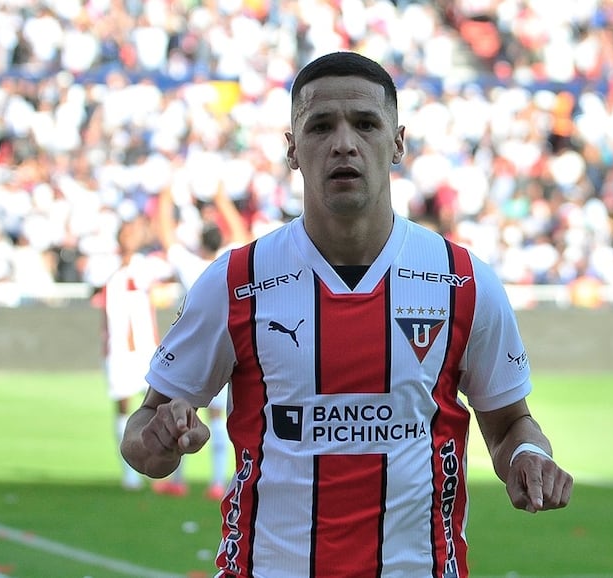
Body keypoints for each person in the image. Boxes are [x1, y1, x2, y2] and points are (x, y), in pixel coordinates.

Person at [121, 51, 573, 577]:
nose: (343, 143)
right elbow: (144, 433)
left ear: (397, 142)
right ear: (292, 149)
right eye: (320, 126)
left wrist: (526, 457)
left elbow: (510, 423)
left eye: (364, 124)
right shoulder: (236, 281)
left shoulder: (463, 282)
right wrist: (159, 440)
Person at [149, 183, 251, 499]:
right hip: (227, 351)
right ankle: (218, 482)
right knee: (219, 418)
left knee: (176, 415)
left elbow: (166, 234)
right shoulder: (231, 260)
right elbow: (240, 231)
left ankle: (177, 479)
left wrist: (166, 193)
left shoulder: (191, 264)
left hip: (193, 353)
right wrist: (221, 195)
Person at [97, 214, 173, 490]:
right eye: (126, 232)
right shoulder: (107, 266)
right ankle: (128, 473)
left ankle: (163, 469)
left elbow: (167, 275)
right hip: (117, 349)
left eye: (133, 232)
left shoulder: (146, 266)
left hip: (146, 349)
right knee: (122, 406)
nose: (130, 237)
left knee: (157, 406)